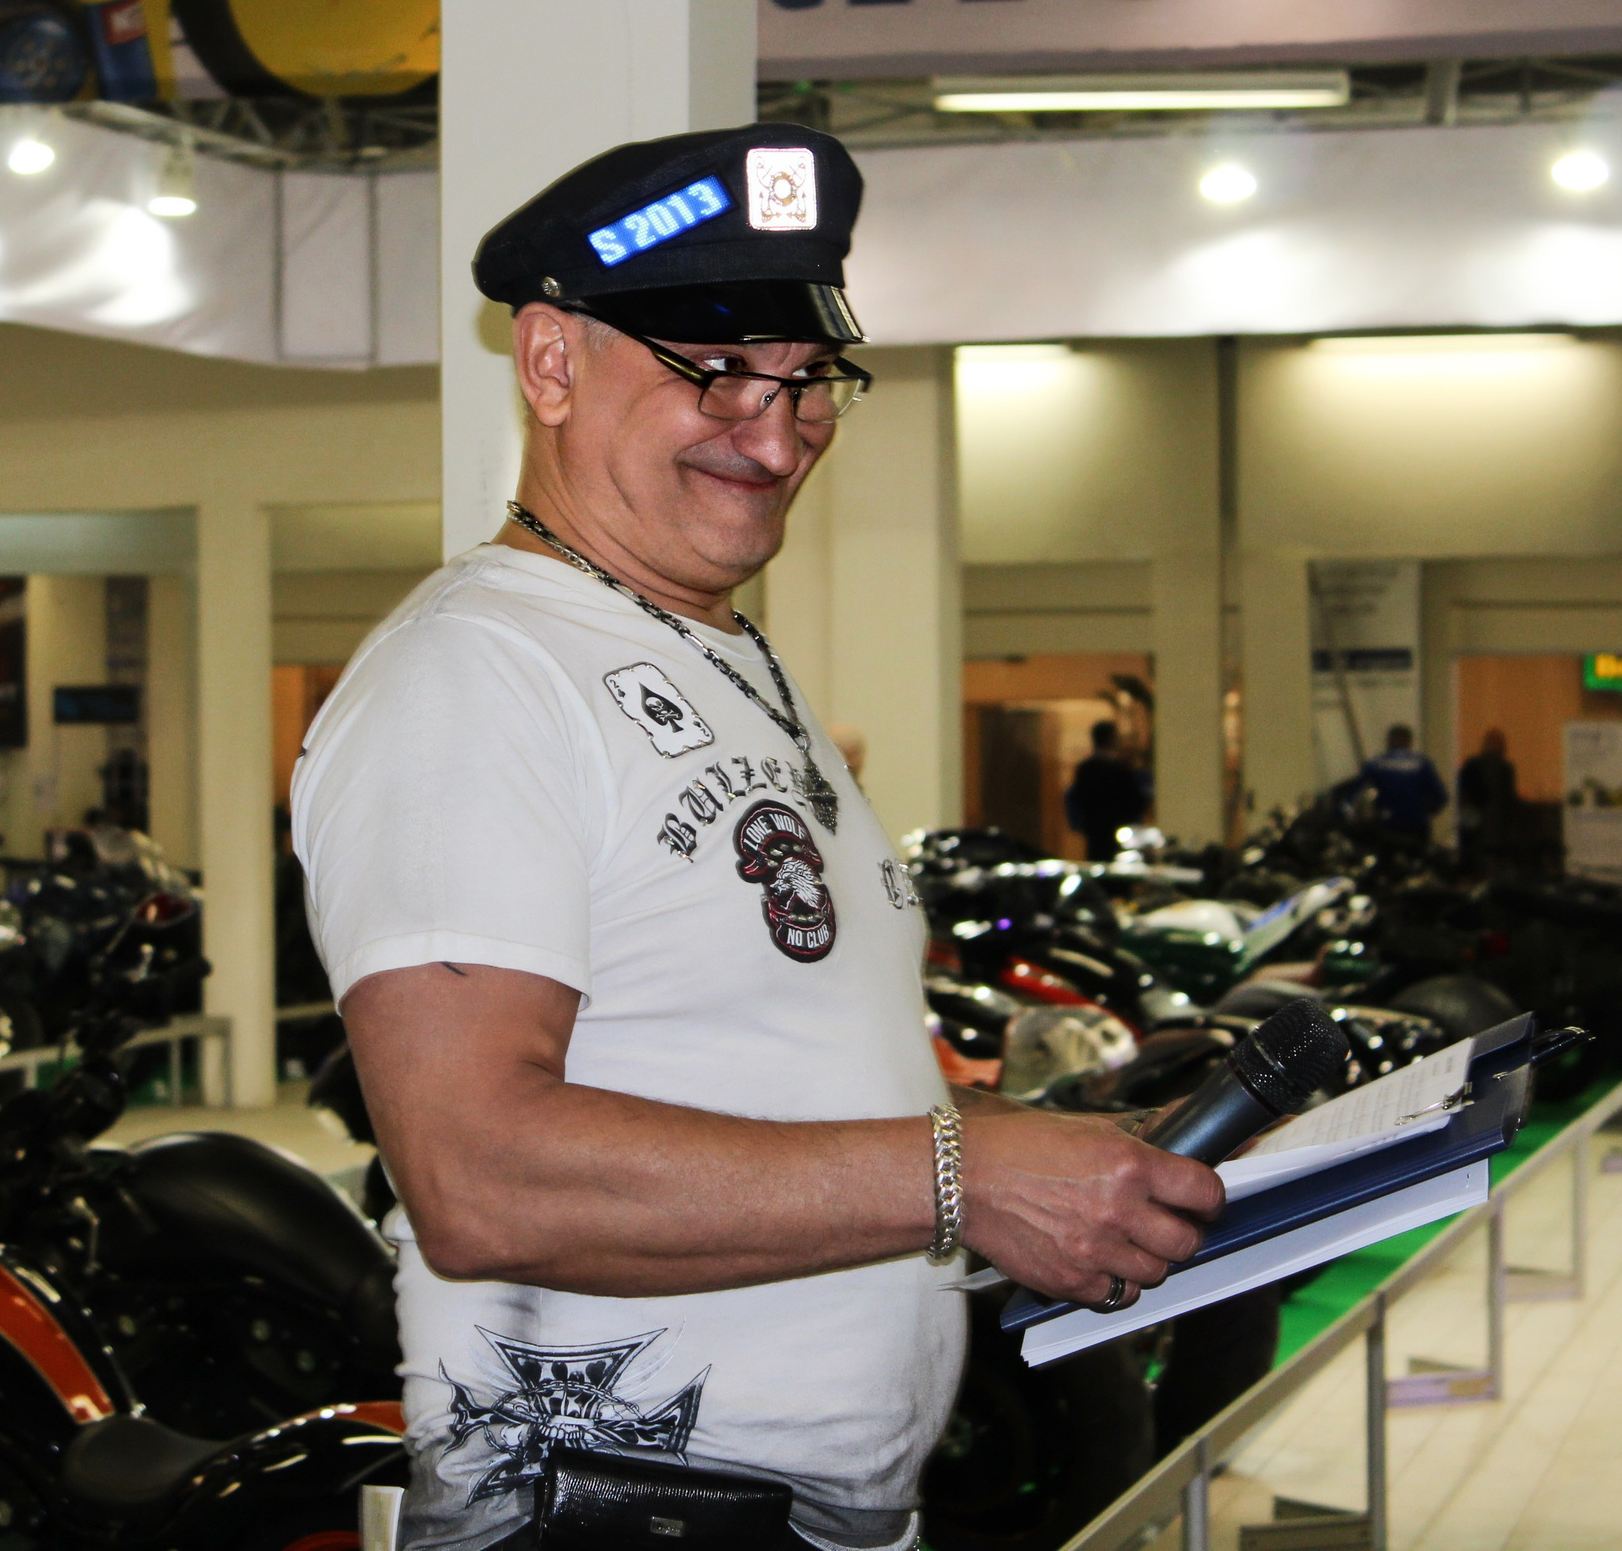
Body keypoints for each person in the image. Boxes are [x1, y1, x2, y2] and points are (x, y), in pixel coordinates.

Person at [293, 124, 1222, 1551]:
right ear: (550, 362)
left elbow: (749, 1078)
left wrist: (1030, 1149)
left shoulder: (725, 657)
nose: (777, 433)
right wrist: (968, 1176)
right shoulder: (476, 673)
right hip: (606, 1517)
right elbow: (477, 1170)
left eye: (808, 381)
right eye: (713, 370)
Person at [1065, 720, 1149, 862]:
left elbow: (1079, 798)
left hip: (1095, 832)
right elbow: (1135, 800)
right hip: (1120, 831)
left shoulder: (1086, 769)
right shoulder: (1119, 769)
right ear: (1111, 739)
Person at [1348, 725, 1449, 839]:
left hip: (1388, 823)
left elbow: (1354, 793)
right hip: (1416, 823)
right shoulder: (1422, 764)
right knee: (1418, 854)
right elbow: (1441, 796)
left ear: (1389, 740)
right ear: (1409, 742)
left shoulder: (1376, 764)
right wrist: (1426, 812)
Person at [1456, 728, 1521, 874]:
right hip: (1498, 826)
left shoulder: (1471, 764)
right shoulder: (1506, 768)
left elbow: (1462, 794)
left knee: (1475, 863)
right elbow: (1509, 799)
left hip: (1474, 826)